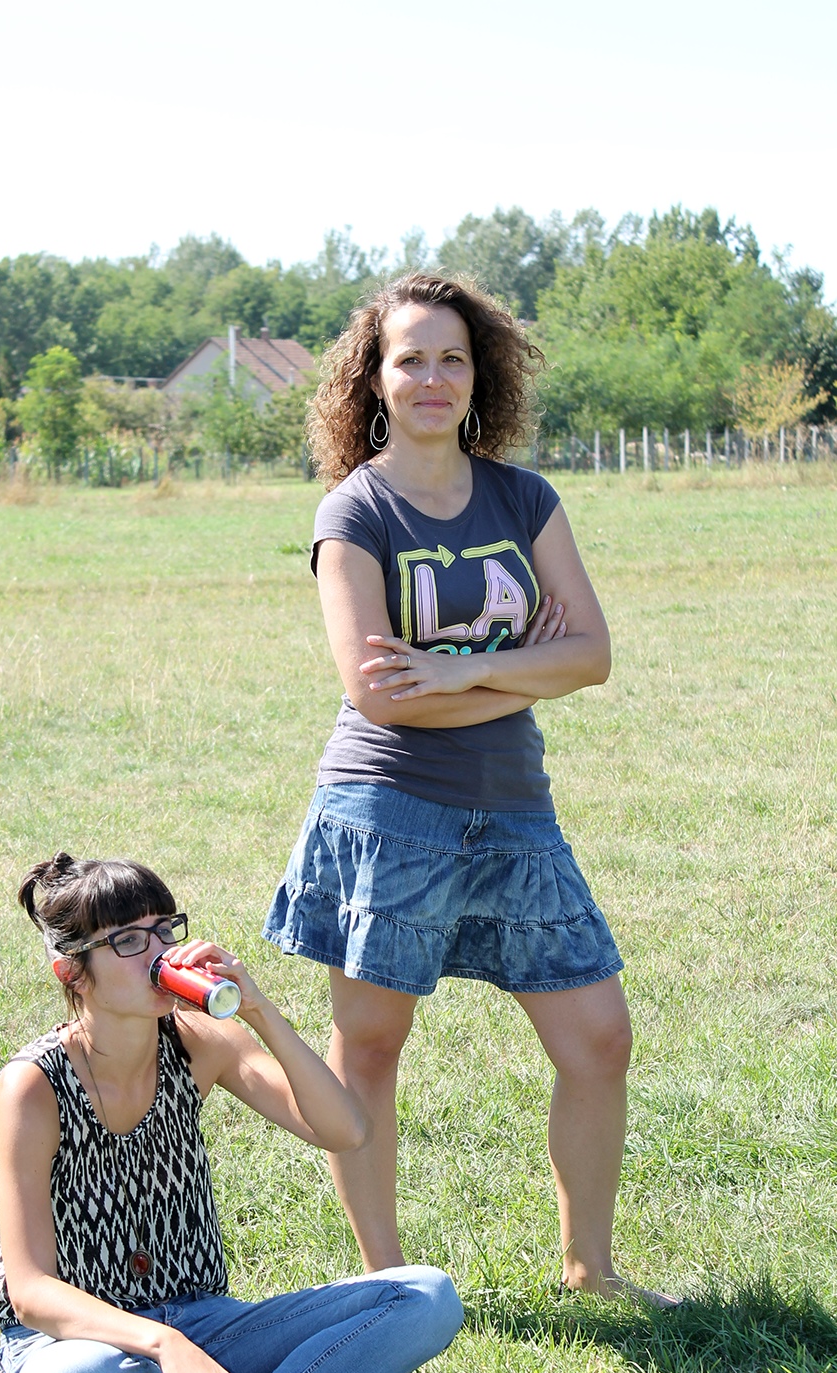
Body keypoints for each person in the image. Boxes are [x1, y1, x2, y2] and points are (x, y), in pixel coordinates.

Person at [264, 272, 673, 1304]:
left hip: (514, 805)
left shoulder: (522, 498)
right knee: (371, 1046)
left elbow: (590, 654)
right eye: (410, 359)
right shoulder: (354, 511)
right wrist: (517, 670)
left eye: (451, 358)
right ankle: (384, 1286)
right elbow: (376, 694)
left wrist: (452, 674)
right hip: (388, 807)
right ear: (374, 378)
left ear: (478, 373)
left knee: (598, 1039)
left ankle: (589, 1269)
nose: (432, 378)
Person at [0, 851, 464, 1373]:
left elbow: (344, 1130)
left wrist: (257, 1008)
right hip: (72, 1345)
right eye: (127, 940)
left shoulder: (200, 1042)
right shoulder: (32, 1086)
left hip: (206, 1324)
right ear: (72, 972)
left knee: (426, 1295)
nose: (159, 952)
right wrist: (163, 1345)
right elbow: (29, 1292)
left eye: (165, 929)